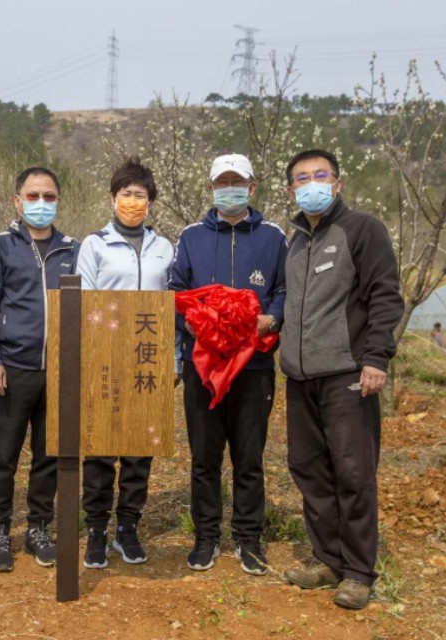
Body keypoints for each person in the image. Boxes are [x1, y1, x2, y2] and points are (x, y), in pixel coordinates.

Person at [279, 149, 404, 609]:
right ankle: (327, 558)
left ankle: (357, 571)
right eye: (301, 178)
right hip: (300, 377)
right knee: (310, 470)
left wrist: (376, 357)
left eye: (320, 175)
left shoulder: (361, 230)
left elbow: (385, 295)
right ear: (291, 189)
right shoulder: (294, 239)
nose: (310, 184)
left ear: (338, 182)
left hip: (348, 374)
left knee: (353, 471)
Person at [168, 153, 287, 574]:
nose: (229, 189)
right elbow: (176, 292)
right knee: (204, 457)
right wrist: (201, 322)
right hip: (205, 368)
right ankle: (205, 537)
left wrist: (270, 317)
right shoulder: (192, 237)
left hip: (253, 369)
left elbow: (285, 289)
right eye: (222, 183)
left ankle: (249, 539)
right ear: (211, 189)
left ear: (252, 188)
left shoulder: (273, 237)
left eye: (237, 182)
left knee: (249, 457)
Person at [0, 167, 80, 572]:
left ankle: (39, 528)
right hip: (13, 368)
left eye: (48, 196)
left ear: (58, 200)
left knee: (49, 453)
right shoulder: (0, 246)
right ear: (17, 202)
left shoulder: (73, 248)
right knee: (3, 454)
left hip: (59, 369)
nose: (41, 204)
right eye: (32, 196)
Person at [76, 157, 175, 568]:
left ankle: (127, 528)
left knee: (139, 449)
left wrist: (176, 361)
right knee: (99, 450)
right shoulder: (94, 244)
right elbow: (82, 302)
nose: (133, 201)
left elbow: (173, 307)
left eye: (140, 195)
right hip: (104, 358)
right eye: (126, 194)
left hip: (148, 361)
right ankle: (96, 530)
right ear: (113, 197)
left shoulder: (165, 247)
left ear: (150, 201)